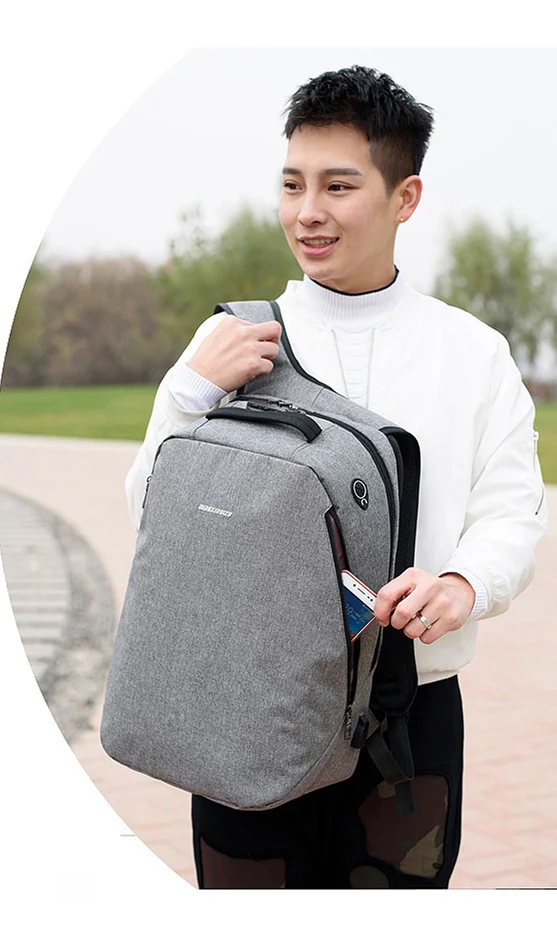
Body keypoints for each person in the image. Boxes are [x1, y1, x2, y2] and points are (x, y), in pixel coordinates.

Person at [125, 65, 547, 889]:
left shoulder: (471, 352)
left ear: (404, 197)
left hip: (411, 716)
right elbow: (150, 514)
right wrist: (188, 392)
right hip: (246, 707)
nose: (306, 211)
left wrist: (464, 583)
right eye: (291, 185)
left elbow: (510, 511)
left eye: (338, 186)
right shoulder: (232, 342)